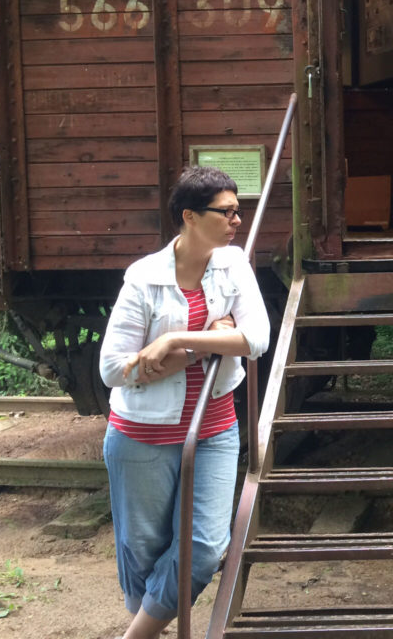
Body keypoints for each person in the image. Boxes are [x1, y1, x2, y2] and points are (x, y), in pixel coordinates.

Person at [99, 166, 270, 639]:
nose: (238, 220)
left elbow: (256, 338)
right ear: (191, 216)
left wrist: (176, 340)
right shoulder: (144, 278)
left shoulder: (233, 264)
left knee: (205, 547)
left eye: (240, 210)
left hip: (214, 430)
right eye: (228, 211)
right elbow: (113, 370)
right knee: (145, 549)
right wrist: (209, 343)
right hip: (140, 437)